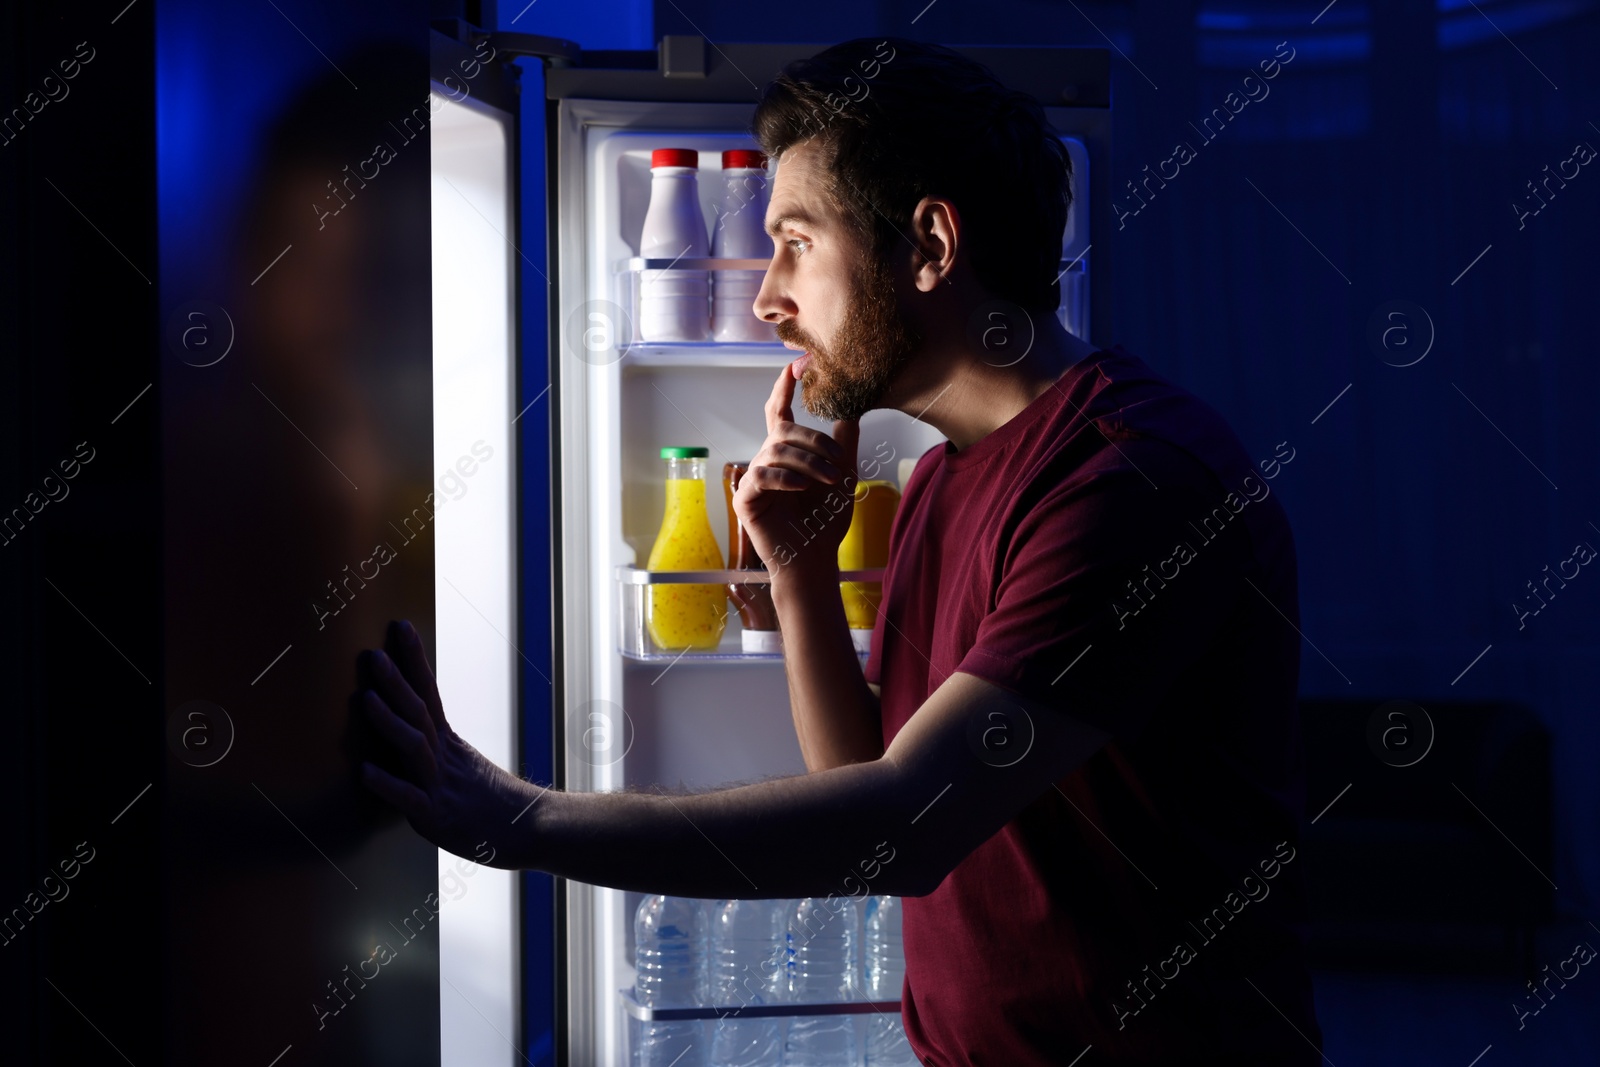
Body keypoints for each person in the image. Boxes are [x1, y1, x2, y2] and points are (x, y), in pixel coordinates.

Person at [357, 36, 1324, 1065]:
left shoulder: (1130, 479)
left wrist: (525, 821)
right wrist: (803, 576)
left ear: (930, 245)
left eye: (795, 241)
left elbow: (908, 821)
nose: (769, 294)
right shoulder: (941, 477)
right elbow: (864, 775)